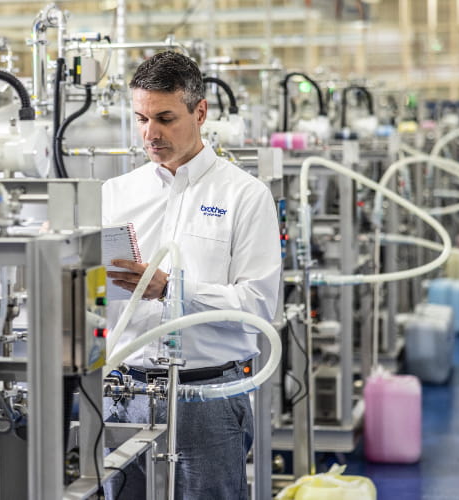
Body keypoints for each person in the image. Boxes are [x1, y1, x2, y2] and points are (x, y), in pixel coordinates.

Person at [101, 51, 281, 499]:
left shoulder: (245, 195)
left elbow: (259, 305)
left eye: (164, 117)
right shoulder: (117, 193)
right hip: (125, 394)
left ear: (200, 112)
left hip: (207, 398)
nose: (150, 133)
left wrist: (172, 289)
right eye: (141, 118)